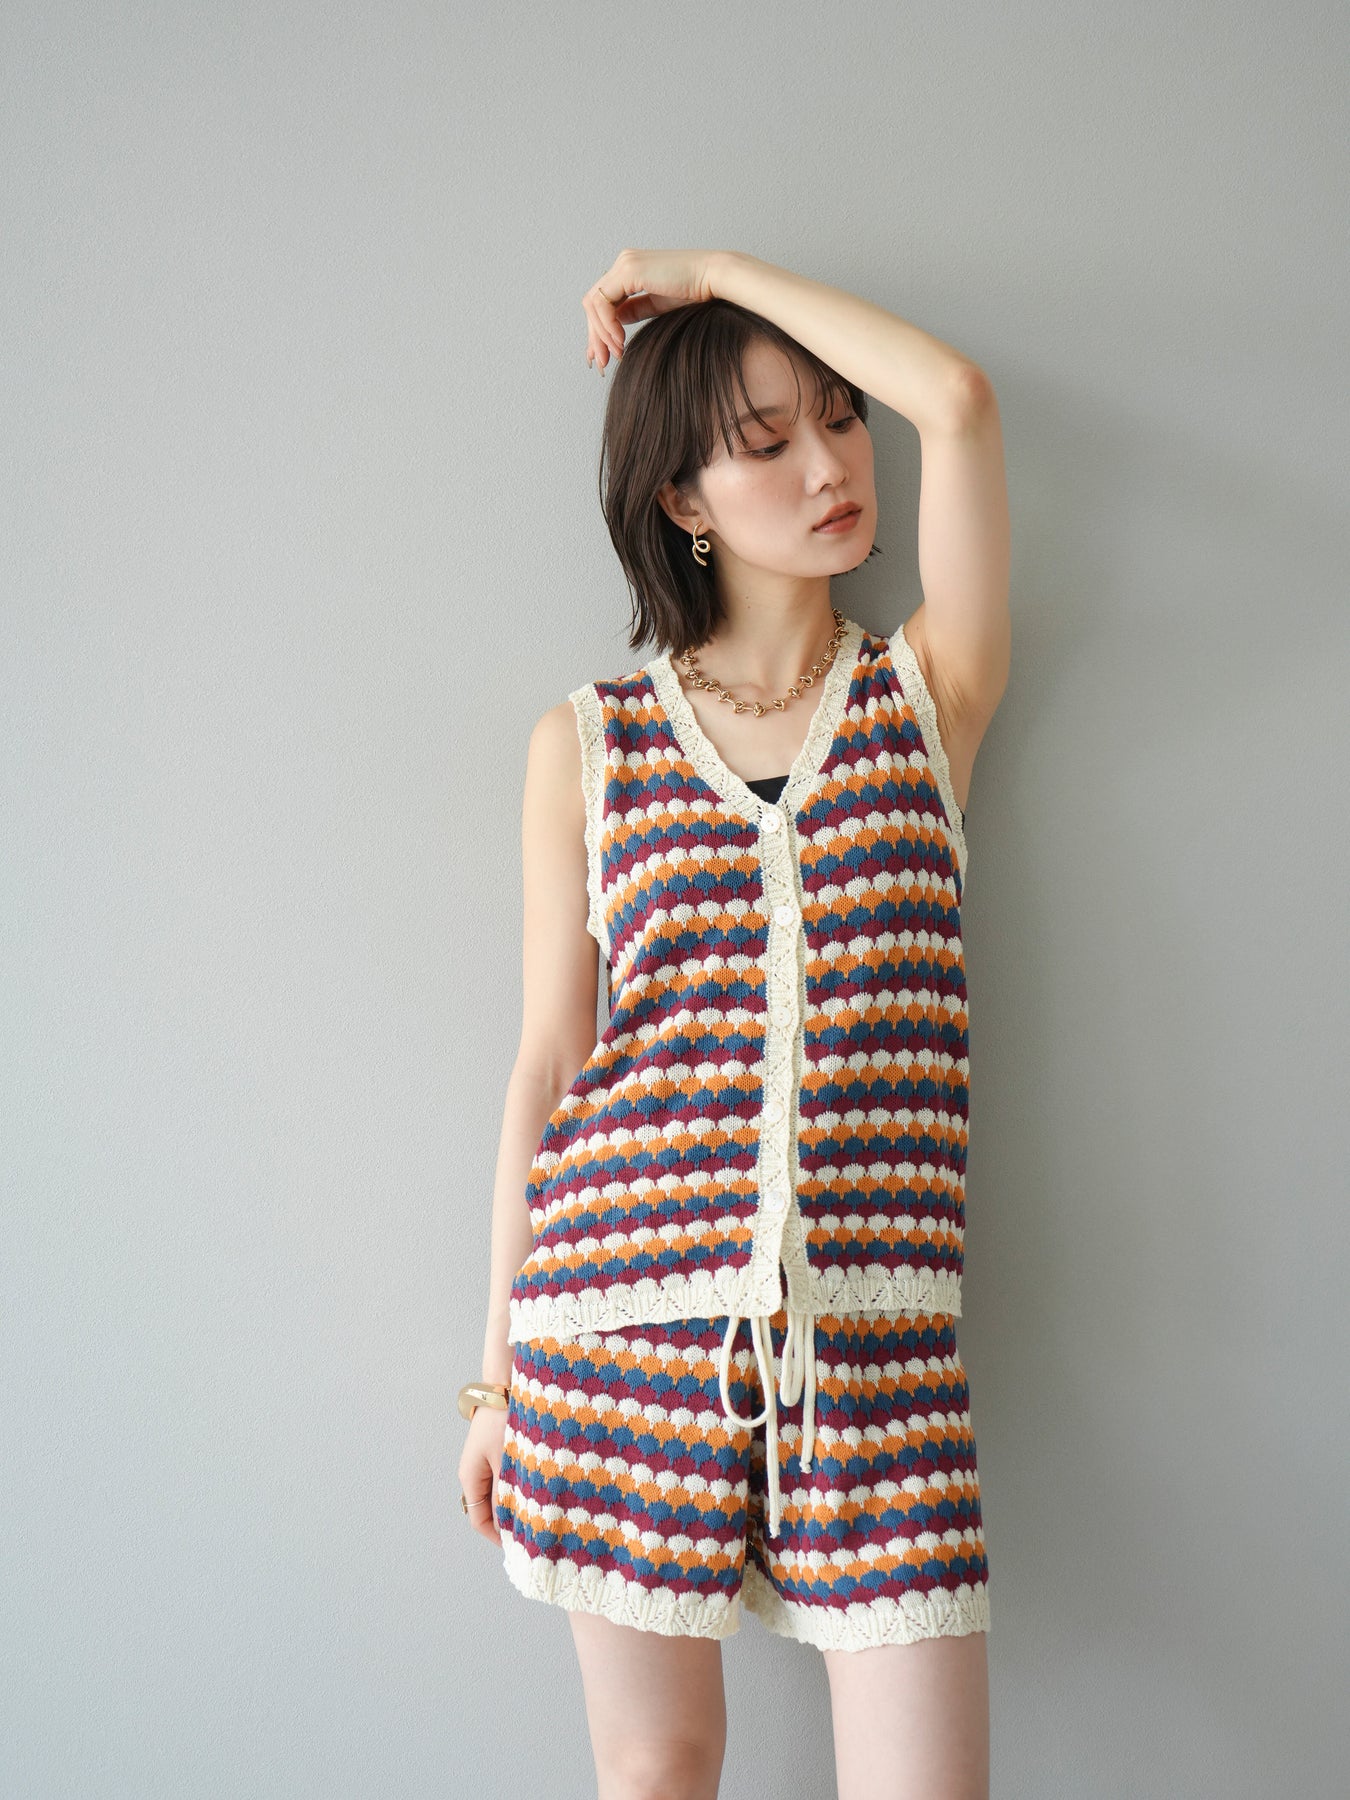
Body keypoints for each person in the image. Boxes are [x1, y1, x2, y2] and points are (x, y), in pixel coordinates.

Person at [458, 247, 1011, 1800]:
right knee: (659, 1768)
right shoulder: (591, 745)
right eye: (764, 442)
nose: (830, 468)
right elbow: (550, 1065)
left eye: (835, 422)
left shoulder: (926, 695)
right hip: (612, 1328)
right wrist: (495, 1380)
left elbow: (957, 403)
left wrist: (703, 274)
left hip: (874, 1344)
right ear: (681, 500)